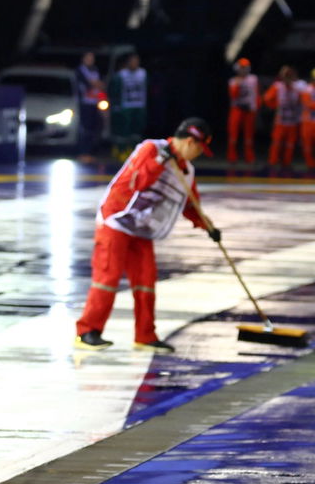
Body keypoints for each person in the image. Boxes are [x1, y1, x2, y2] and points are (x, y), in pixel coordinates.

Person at [74, 118, 220, 353]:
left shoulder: (186, 170)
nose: (199, 154)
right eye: (200, 149)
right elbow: (139, 181)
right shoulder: (151, 149)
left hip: (142, 229)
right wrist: (161, 161)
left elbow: (190, 205)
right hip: (117, 220)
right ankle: (87, 331)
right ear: (191, 142)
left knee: (145, 281)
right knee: (108, 276)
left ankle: (145, 335)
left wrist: (209, 227)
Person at [261, 65, 306, 172]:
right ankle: (272, 162)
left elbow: (307, 96)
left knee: (290, 144)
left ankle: (286, 163)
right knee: (276, 143)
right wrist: (274, 105)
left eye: (290, 76)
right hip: (281, 121)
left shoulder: (299, 86)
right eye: (286, 77)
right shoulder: (278, 86)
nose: (288, 79)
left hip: (293, 121)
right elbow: (266, 98)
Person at [109, 52, 149, 159]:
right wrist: (116, 105)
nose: (134, 63)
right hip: (126, 106)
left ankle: (134, 151)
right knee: (123, 131)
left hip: (139, 106)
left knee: (136, 132)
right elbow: (114, 90)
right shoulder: (121, 75)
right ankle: (121, 150)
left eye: (136, 61)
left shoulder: (143, 73)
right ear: (128, 62)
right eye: (132, 61)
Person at [72, 51, 106, 163]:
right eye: (88, 58)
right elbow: (89, 84)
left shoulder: (95, 70)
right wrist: (95, 83)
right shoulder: (80, 70)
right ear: (83, 59)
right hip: (84, 103)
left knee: (93, 128)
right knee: (84, 129)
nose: (90, 60)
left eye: (92, 58)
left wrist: (97, 84)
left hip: (94, 103)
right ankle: (82, 152)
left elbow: (101, 85)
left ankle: (90, 152)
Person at [226, 58, 259, 163]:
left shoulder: (253, 79)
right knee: (233, 134)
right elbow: (233, 95)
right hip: (237, 109)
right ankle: (232, 157)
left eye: (245, 68)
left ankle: (249, 157)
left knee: (249, 135)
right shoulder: (233, 81)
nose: (243, 70)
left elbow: (256, 94)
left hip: (249, 109)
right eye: (242, 68)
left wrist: (255, 107)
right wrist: (237, 84)